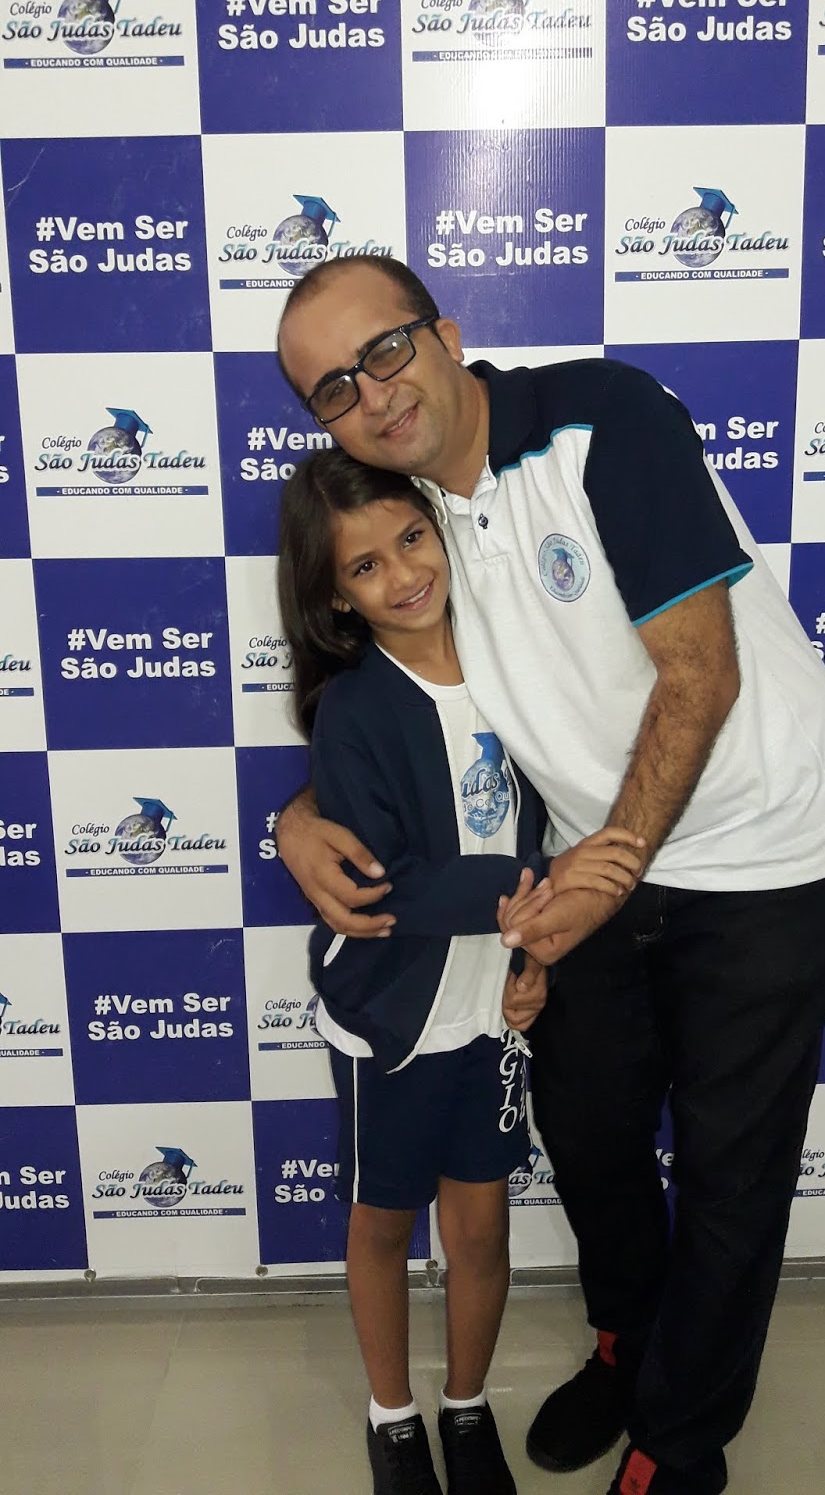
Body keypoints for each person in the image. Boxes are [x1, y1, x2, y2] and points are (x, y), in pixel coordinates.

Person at [275, 256, 825, 1495]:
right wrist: (300, 814)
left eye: (385, 350)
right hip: (591, 861)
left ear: (445, 332)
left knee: (731, 1171)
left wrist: (614, 868)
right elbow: (409, 704)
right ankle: (629, 1343)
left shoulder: (606, 419)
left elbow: (700, 672)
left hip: (760, 853)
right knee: (590, 1132)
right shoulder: (415, 512)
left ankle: (680, 1440)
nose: (371, 394)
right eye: (332, 389)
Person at [278, 445, 644, 1495]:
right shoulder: (357, 710)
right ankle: (394, 1418)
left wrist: (533, 957)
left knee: (480, 1228)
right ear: (334, 597)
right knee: (384, 1221)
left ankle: (467, 1404)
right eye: (365, 566)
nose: (403, 574)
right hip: (392, 1023)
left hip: (494, 1013)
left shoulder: (513, 663)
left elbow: (551, 812)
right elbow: (384, 886)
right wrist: (541, 882)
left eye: (411, 538)